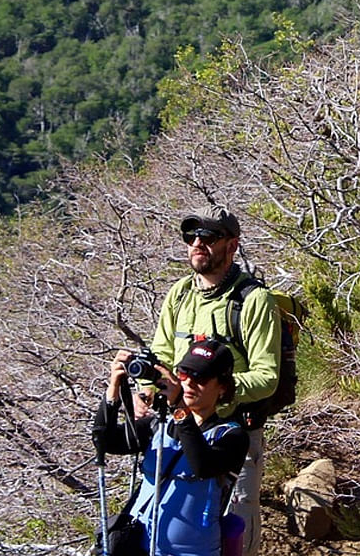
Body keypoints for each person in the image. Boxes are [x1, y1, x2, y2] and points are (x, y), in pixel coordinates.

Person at [149, 210, 281, 556]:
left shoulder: (253, 301)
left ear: (232, 245)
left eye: (208, 238)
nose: (197, 244)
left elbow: (267, 376)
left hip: (232, 436)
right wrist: (150, 389)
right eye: (192, 238)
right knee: (175, 529)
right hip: (178, 431)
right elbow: (161, 352)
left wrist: (214, 389)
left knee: (233, 534)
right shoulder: (179, 294)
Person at [95, 338, 249, 556]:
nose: (189, 383)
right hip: (137, 546)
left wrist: (179, 408)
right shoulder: (158, 426)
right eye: (184, 374)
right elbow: (106, 441)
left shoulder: (232, 436)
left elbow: (202, 466)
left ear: (222, 387)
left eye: (201, 378)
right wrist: (113, 391)